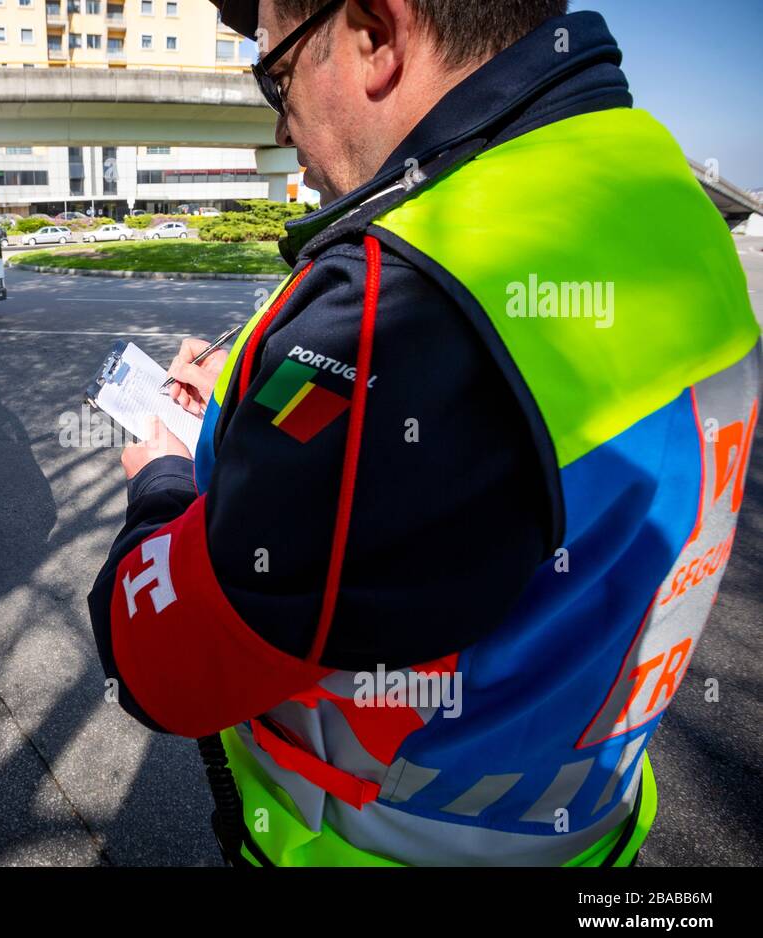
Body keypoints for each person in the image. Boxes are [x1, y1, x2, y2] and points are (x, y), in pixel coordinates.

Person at [87, 0, 760, 866]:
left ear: (374, 34)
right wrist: (249, 399)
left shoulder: (406, 314)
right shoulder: (659, 198)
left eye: (275, 74)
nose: (282, 121)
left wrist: (165, 475)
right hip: (591, 831)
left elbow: (163, 665)